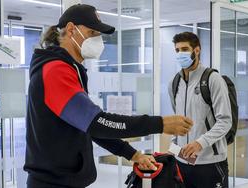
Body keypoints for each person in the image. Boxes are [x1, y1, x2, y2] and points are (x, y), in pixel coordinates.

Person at [24, 4, 193, 188]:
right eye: (92, 33)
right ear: (71, 29)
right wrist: (160, 124)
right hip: (52, 184)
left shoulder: (69, 68)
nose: (98, 41)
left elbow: (87, 126)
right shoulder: (55, 70)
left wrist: (132, 154)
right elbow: (96, 123)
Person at [168, 32, 232, 188]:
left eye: (185, 49)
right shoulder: (174, 82)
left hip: (210, 162)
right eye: (177, 50)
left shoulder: (212, 79)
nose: (180, 53)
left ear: (197, 50)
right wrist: (174, 145)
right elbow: (178, 121)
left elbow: (225, 121)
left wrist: (200, 143)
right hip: (182, 161)